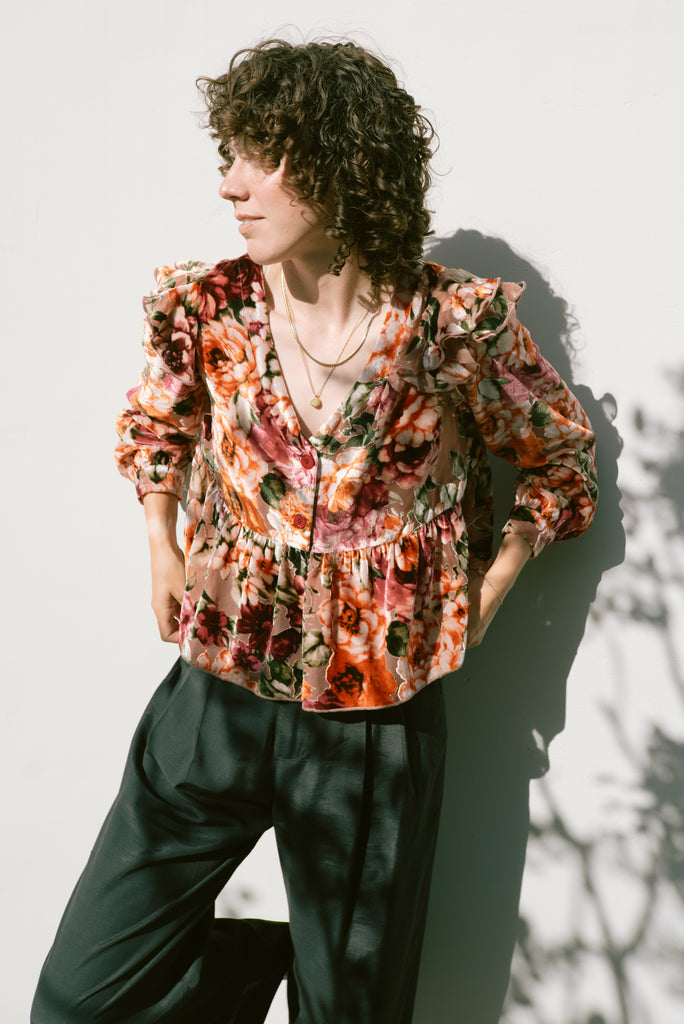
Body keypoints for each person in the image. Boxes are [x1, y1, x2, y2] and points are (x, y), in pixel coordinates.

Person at [31, 37, 598, 1024]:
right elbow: (156, 424)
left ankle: (317, 974)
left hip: (373, 718)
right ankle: (262, 964)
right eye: (230, 156)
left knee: (351, 1013)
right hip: (215, 695)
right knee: (79, 1001)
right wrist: (162, 542)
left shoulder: (452, 327)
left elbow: (560, 461)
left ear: (342, 167)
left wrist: (490, 588)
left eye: (262, 157)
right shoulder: (209, 308)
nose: (231, 184)